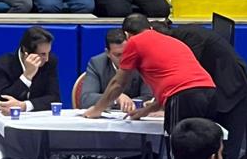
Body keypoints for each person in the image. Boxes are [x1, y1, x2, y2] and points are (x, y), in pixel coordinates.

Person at [153, 20, 247, 159]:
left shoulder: (189, 39)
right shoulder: (183, 38)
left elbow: (189, 75)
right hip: (219, 91)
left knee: (228, 149)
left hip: (236, 89)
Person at [82, 14, 217, 136]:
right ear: (151, 28)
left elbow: (118, 83)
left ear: (127, 34)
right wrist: (145, 111)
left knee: (180, 148)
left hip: (183, 96)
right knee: (203, 145)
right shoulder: (172, 41)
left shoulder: (135, 41)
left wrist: (97, 109)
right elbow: (174, 82)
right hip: (210, 92)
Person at [0, 25, 60, 113]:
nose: (46, 59)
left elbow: (55, 98)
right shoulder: (2, 65)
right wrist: (26, 76)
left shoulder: (50, 62)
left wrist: (25, 106)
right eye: (42, 54)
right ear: (26, 52)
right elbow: (2, 101)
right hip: (8, 118)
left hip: (38, 117)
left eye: (48, 53)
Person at [81, 28, 152, 111]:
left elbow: (149, 97)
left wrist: (129, 104)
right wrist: (115, 98)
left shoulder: (142, 62)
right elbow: (86, 99)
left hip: (135, 114)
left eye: (126, 53)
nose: (123, 58)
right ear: (107, 53)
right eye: (118, 55)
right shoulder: (97, 64)